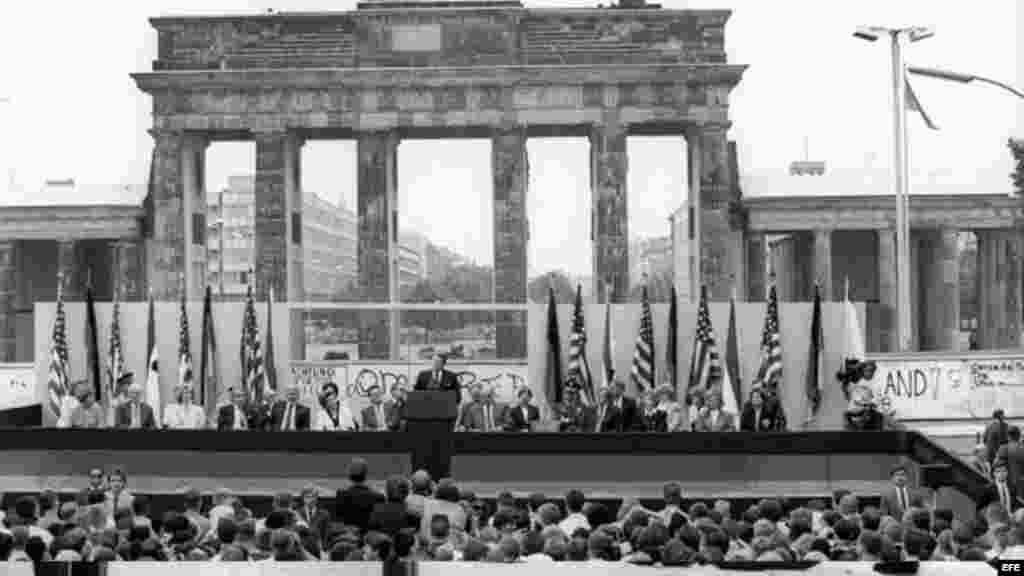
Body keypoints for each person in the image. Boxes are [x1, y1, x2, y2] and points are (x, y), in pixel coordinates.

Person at [995, 426, 1024, 497]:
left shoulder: (1004, 448)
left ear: (1008, 436)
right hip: (1021, 485)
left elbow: (997, 465)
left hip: (1008, 484)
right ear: (1019, 436)